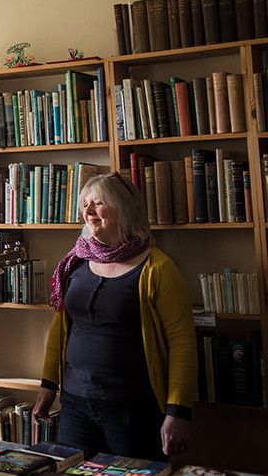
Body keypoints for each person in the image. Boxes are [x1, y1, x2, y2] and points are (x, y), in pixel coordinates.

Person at [33, 172, 196, 459]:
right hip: (75, 403)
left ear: (124, 207)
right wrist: (48, 386)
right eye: (84, 204)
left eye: (98, 203)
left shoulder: (157, 268)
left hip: (133, 407)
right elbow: (60, 329)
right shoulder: (76, 261)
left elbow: (182, 344)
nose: (88, 211)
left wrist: (178, 412)